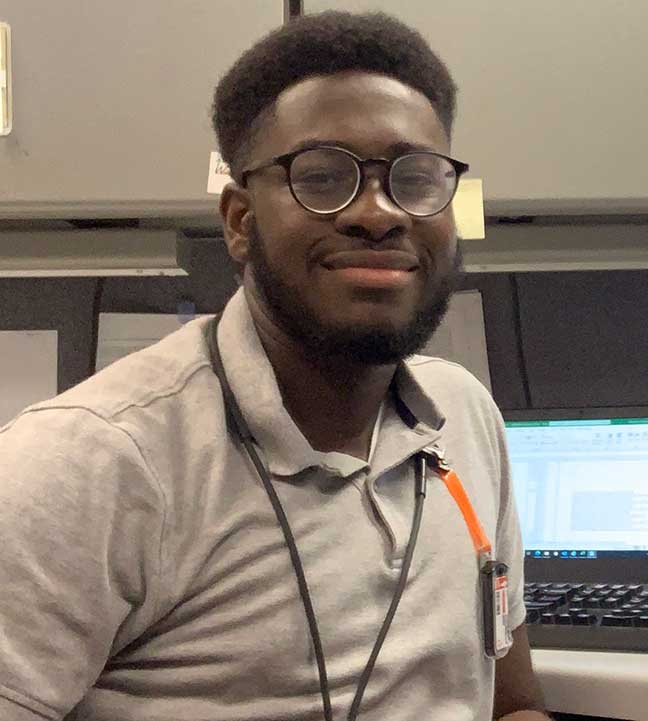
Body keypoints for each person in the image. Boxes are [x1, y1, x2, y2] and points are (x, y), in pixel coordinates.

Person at [0, 11, 548, 721]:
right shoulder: (90, 462)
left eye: (415, 178)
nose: (379, 212)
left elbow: (513, 703)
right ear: (238, 219)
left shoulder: (465, 415)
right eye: (323, 176)